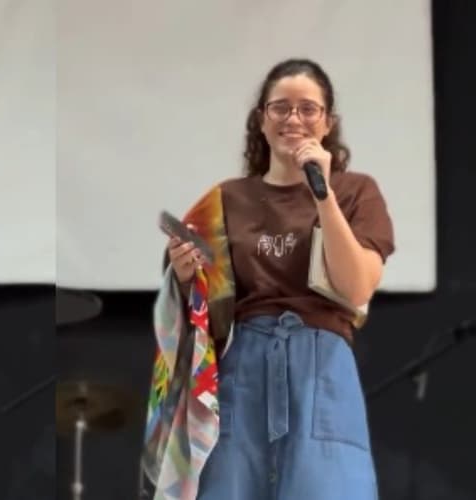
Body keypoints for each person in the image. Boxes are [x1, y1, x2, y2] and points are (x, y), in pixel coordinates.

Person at [163, 58, 395, 499]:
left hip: (321, 366)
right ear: (261, 120)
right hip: (242, 368)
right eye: (280, 107)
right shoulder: (226, 199)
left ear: (328, 123)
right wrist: (186, 277)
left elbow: (357, 286)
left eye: (308, 109)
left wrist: (322, 194)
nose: (294, 119)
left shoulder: (355, 191)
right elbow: (203, 324)